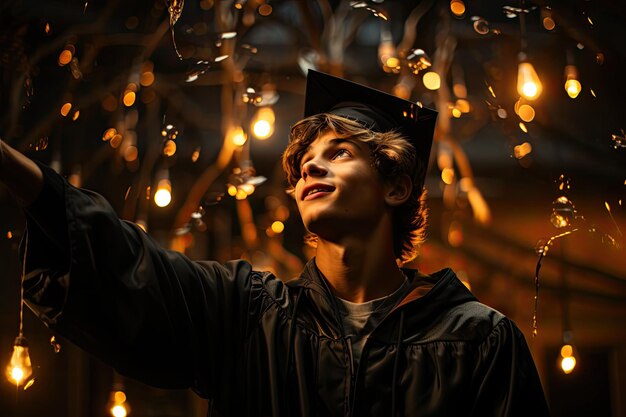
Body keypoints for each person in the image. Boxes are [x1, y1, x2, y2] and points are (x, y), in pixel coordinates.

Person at [0, 70, 550, 416]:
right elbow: (133, 264)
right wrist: (17, 172)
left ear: (396, 185)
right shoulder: (248, 315)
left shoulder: (479, 341)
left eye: (340, 152)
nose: (311, 162)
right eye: (306, 159)